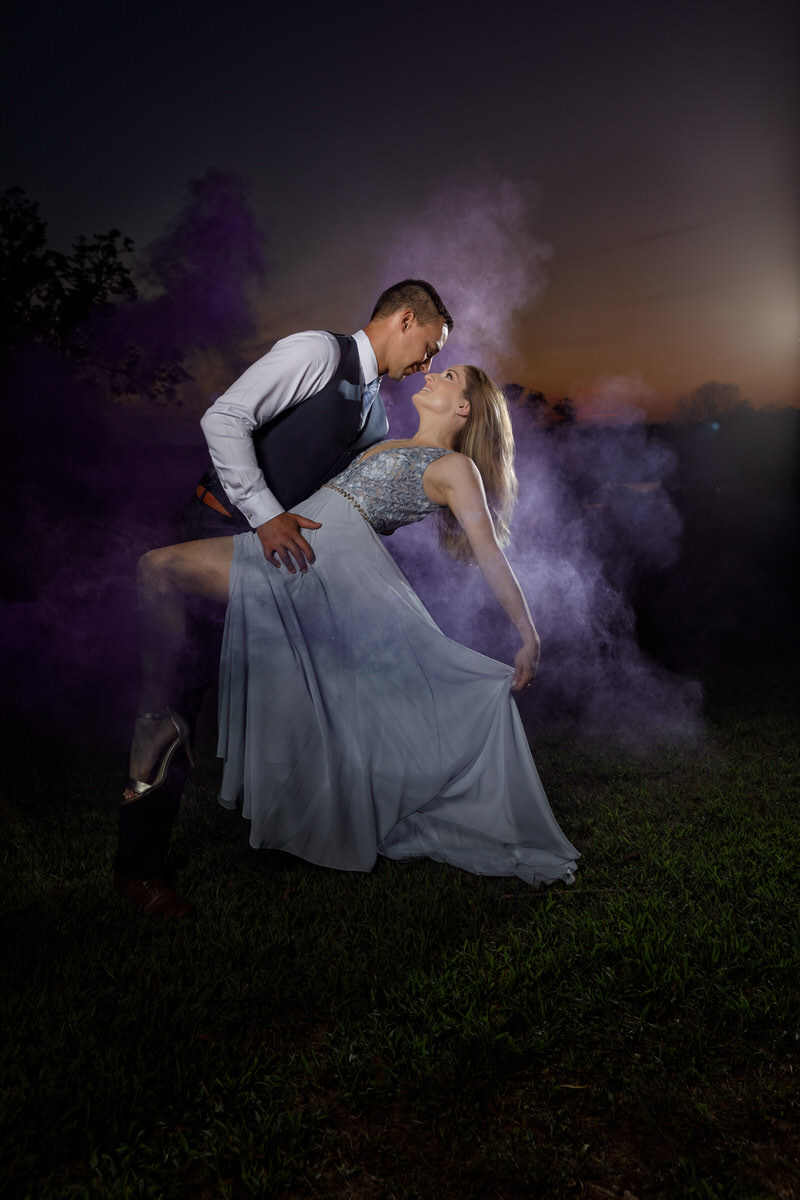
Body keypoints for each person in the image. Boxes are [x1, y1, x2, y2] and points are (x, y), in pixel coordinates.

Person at [117, 363, 579, 914]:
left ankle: (158, 713)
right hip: (289, 540)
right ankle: (168, 722)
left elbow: (489, 553)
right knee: (172, 583)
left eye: (450, 376)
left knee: (158, 567)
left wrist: (528, 634)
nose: (433, 374)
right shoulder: (386, 443)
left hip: (314, 564)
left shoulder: (455, 467)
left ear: (464, 408)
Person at [114, 280, 453, 915]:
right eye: (430, 347)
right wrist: (267, 514)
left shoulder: (376, 414)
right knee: (174, 704)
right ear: (406, 319)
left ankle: (306, 832)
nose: (427, 363)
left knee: (299, 693)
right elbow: (223, 419)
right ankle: (137, 870)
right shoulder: (315, 352)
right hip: (220, 528)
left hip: (277, 559)